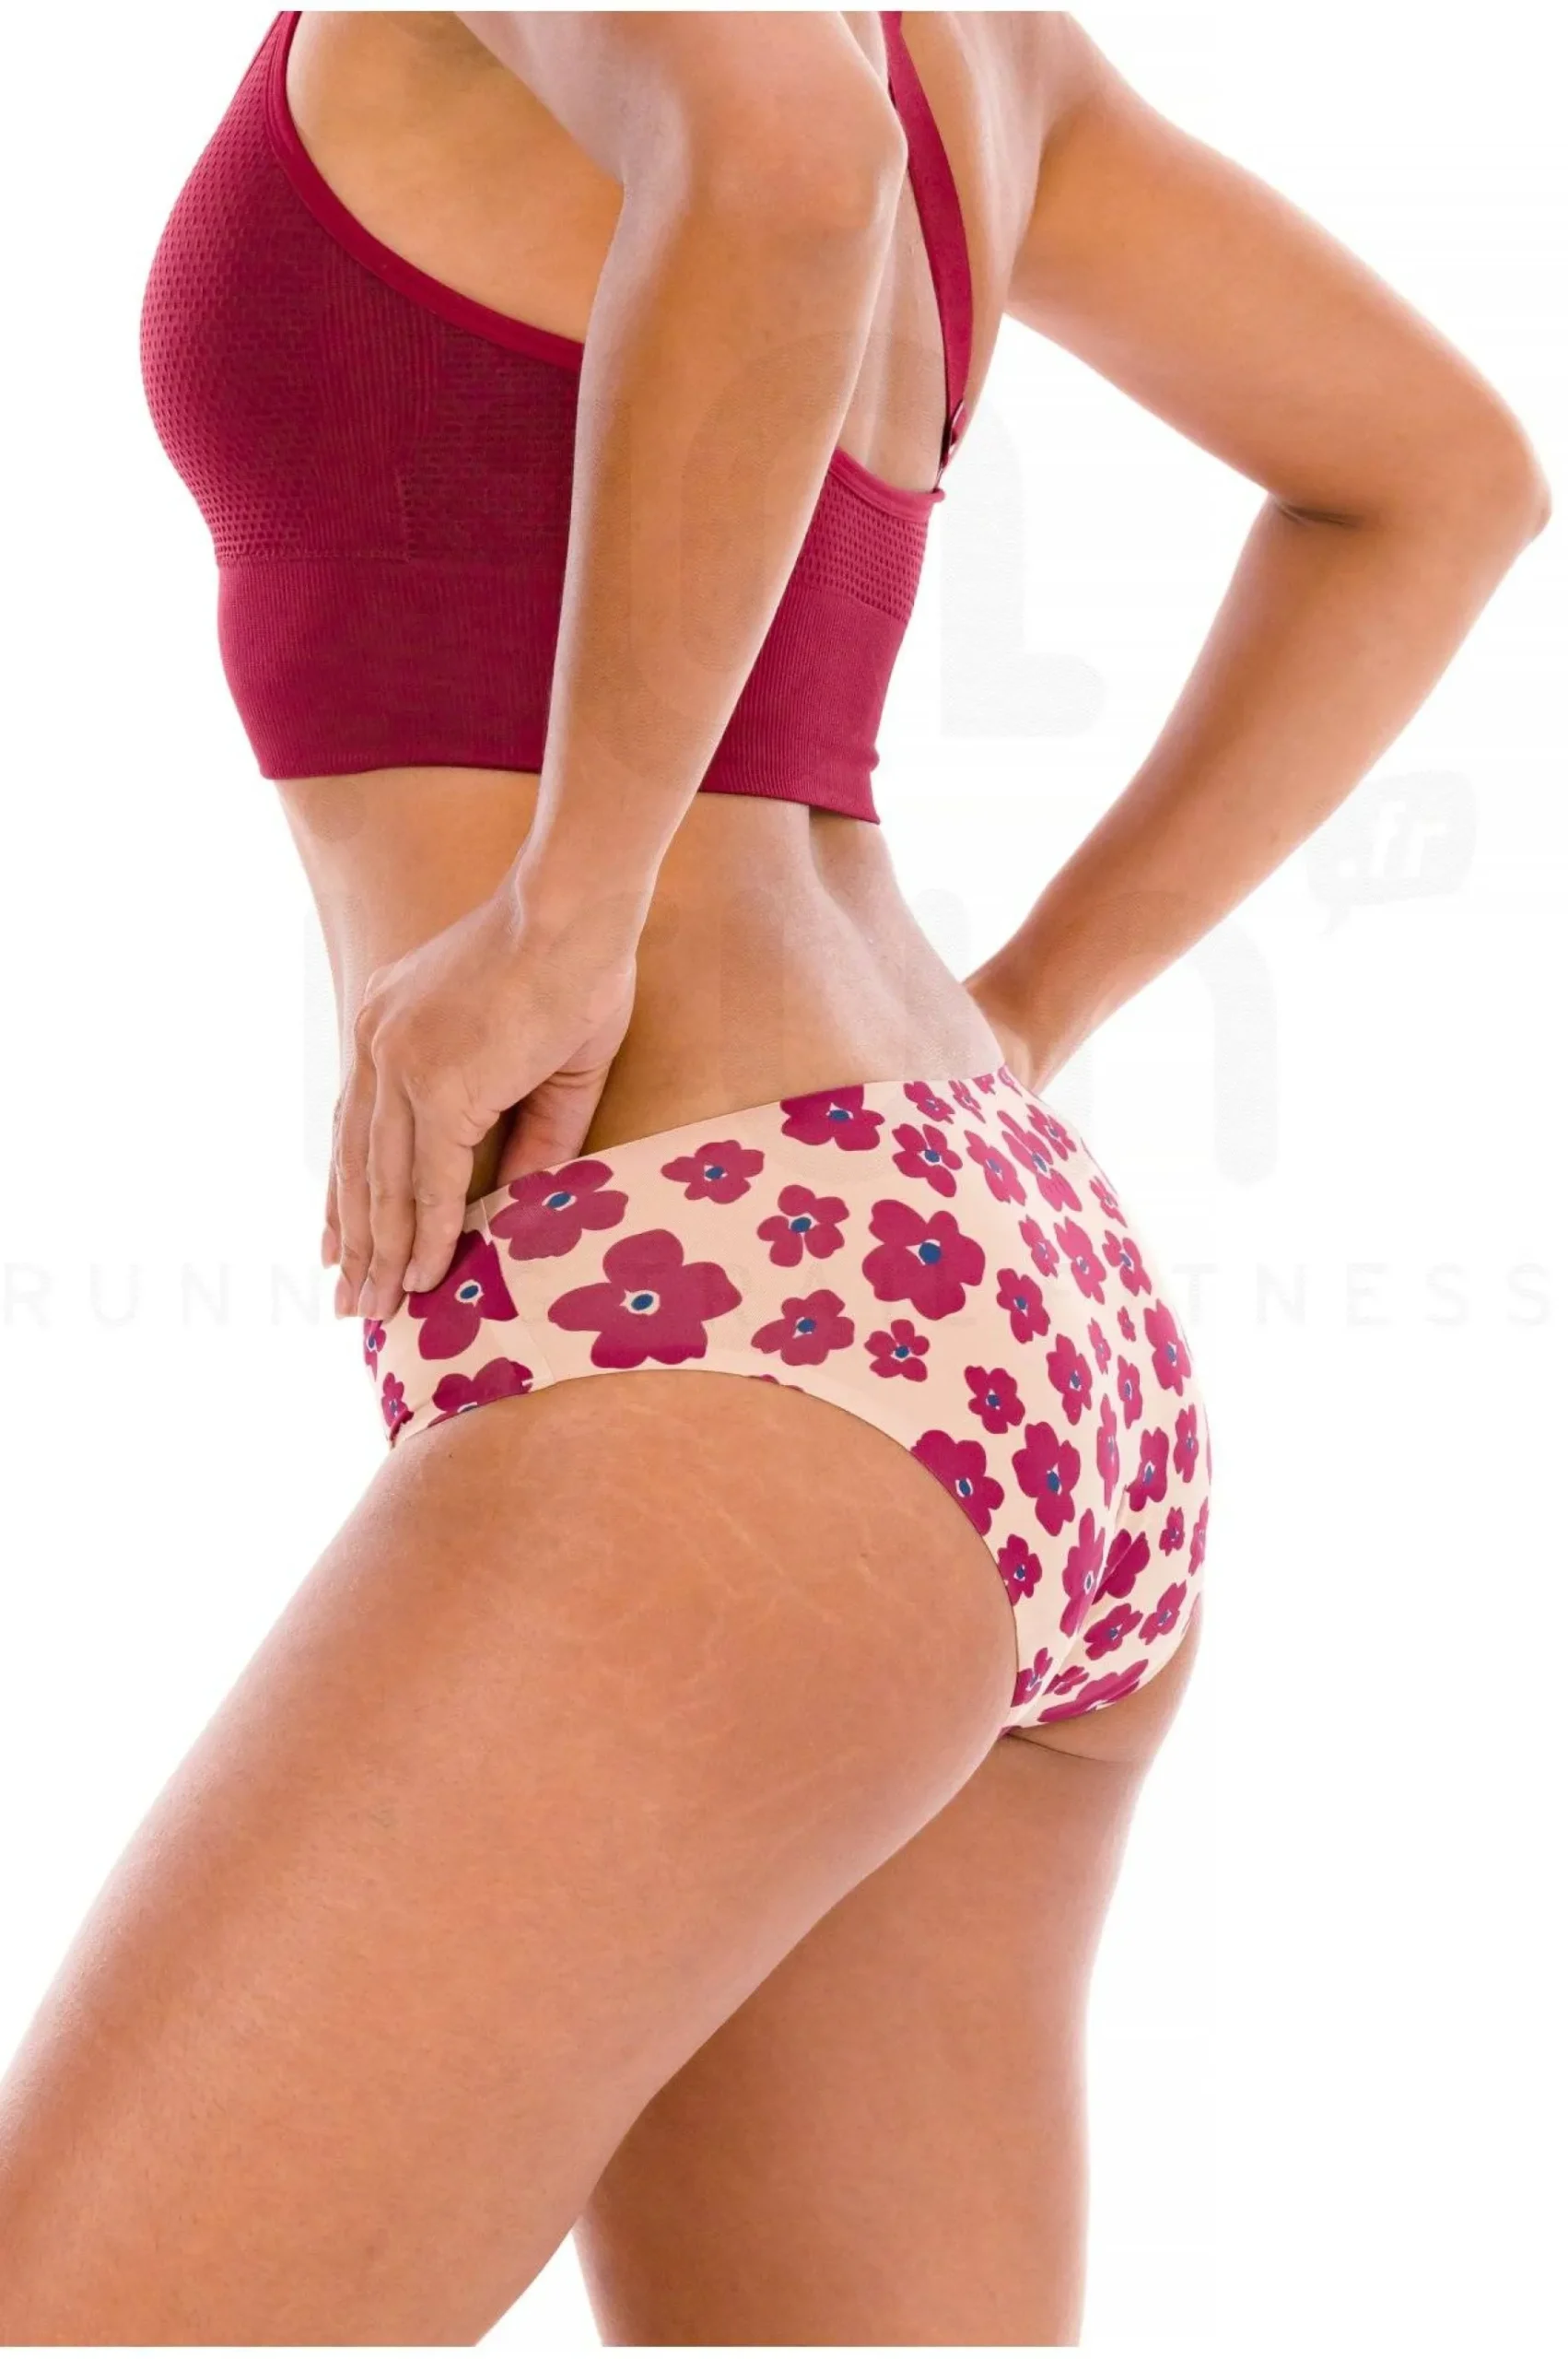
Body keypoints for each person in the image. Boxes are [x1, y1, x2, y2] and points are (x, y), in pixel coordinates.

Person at [0, 9, 1545, 2344]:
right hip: (968, 1278)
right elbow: (1434, 475)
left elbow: (791, 154)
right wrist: (1024, 1011)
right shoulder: (991, 43)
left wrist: (569, 904)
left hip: (726, 1318)